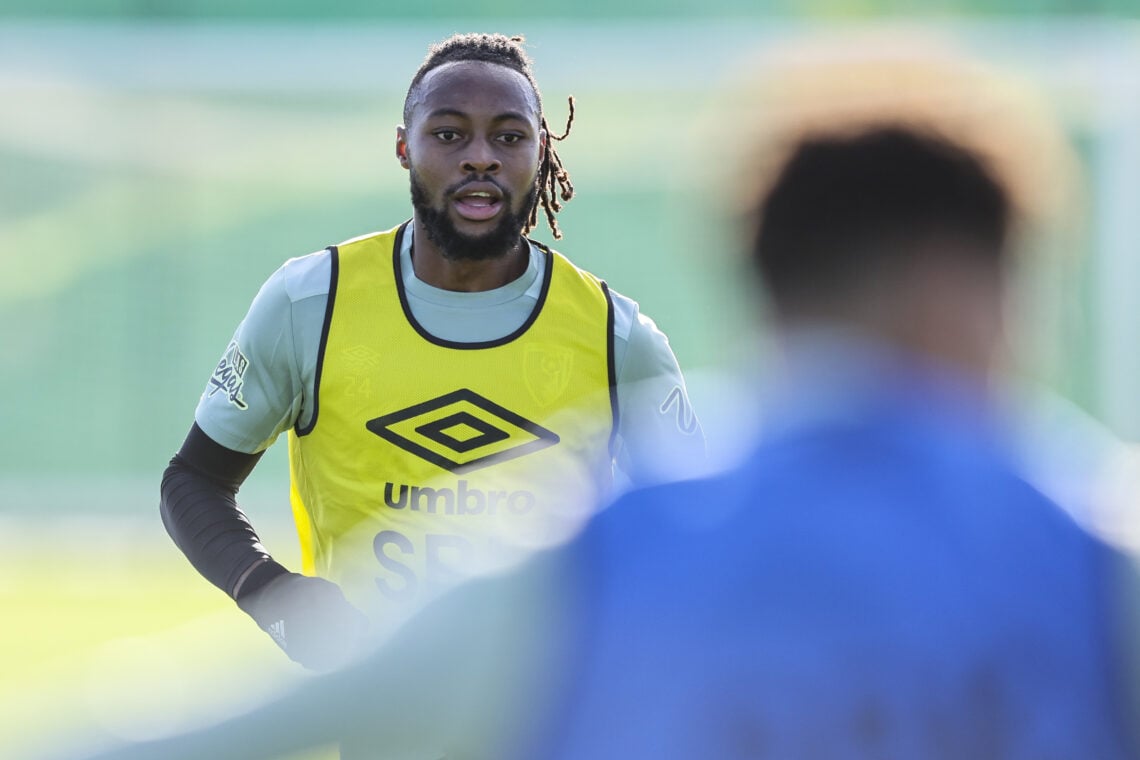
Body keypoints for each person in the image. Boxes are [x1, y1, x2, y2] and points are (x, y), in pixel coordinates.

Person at [159, 32, 704, 671]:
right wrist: (274, 594)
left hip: (549, 723)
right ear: (403, 148)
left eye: (509, 136)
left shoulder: (618, 337)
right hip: (374, 717)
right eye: (449, 134)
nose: (481, 158)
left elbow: (702, 537)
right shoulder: (310, 303)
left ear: (542, 151)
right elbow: (193, 482)